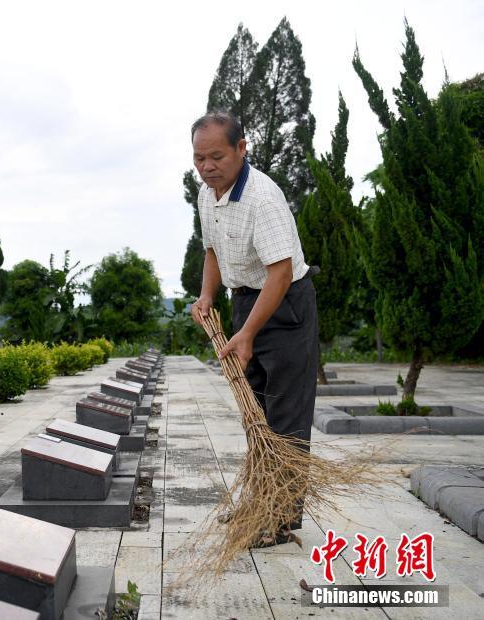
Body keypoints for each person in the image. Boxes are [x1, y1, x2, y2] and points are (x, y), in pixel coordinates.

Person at [188, 111, 319, 547]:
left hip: (285, 308)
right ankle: (260, 501)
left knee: (285, 418)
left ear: (242, 148)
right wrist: (208, 296)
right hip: (245, 301)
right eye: (199, 158)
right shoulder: (208, 195)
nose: (207, 167)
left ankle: (279, 520)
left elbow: (281, 273)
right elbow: (211, 251)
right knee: (256, 416)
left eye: (217, 157)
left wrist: (246, 334)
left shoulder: (263, 198)